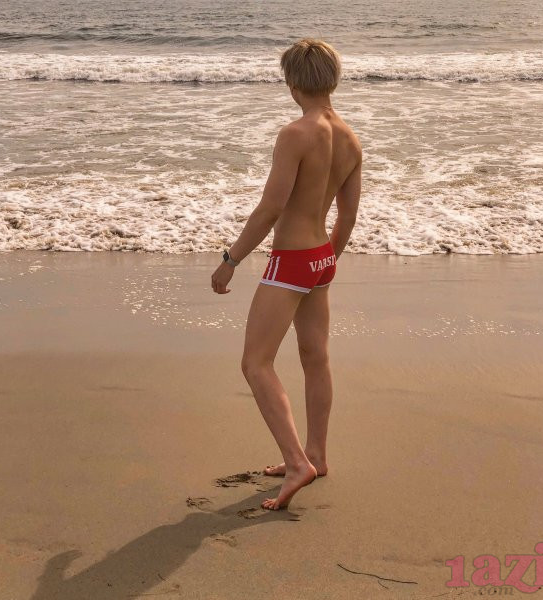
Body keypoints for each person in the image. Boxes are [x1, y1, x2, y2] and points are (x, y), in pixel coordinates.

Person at [211, 38, 362, 510]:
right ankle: (317, 454)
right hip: (321, 259)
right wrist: (326, 263)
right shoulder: (350, 138)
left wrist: (230, 260)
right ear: (333, 78)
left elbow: (271, 208)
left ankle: (297, 462)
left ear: (292, 82)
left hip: (292, 261)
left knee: (255, 363)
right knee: (315, 357)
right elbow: (348, 217)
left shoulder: (296, 133)